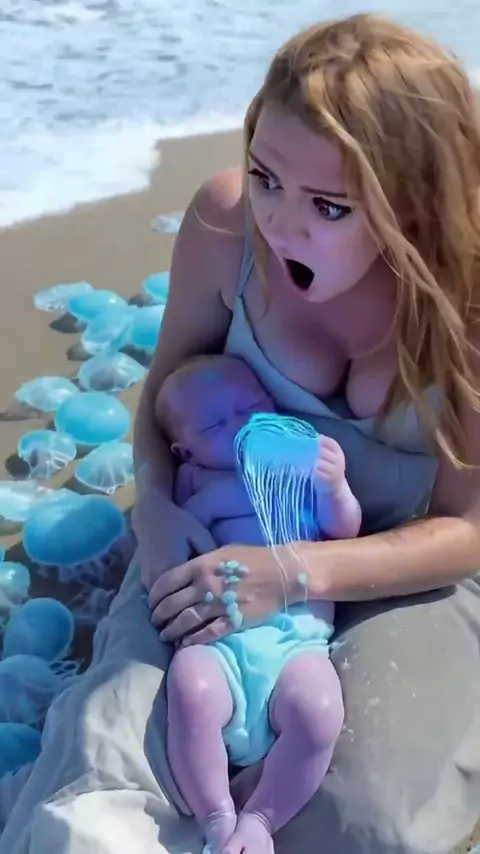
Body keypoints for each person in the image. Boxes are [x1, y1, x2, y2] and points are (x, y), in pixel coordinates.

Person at [1, 12, 480, 854]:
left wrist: (295, 574)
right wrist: (155, 508)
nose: (281, 223)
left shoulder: (466, 302)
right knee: (101, 770)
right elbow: (161, 404)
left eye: (328, 205)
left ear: (410, 202)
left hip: (404, 571)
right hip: (221, 535)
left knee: (363, 817)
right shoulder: (227, 225)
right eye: (266, 175)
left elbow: (468, 528)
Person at [156, 353, 360, 853]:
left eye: (251, 407)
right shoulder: (195, 483)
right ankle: (216, 815)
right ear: (186, 452)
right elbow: (182, 548)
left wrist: (335, 487)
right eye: (215, 425)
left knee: (317, 712)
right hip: (220, 639)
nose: (240, 425)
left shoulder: (297, 470)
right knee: (191, 689)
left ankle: (262, 818)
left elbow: (344, 533)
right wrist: (177, 517)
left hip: (296, 643)